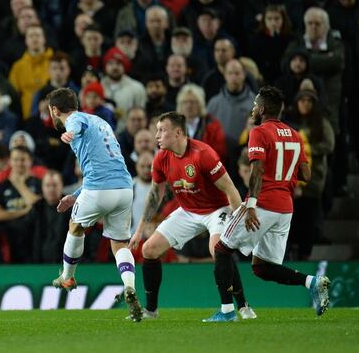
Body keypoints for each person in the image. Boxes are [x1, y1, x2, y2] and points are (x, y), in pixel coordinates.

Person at [213, 86, 330, 318]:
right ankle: (311, 282)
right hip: (285, 209)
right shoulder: (296, 135)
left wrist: (253, 205)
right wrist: (286, 173)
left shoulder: (259, 132)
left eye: (256, 105)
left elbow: (257, 171)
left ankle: (227, 311)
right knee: (262, 267)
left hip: (263, 204)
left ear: (264, 109)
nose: (253, 108)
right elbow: (307, 175)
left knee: (221, 249)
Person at [128, 111, 254, 322]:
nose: (157, 135)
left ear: (178, 133)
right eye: (156, 130)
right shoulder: (161, 158)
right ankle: (151, 311)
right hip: (188, 211)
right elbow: (154, 195)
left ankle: (239, 307)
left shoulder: (203, 154)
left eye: (162, 130)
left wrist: (237, 221)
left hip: (217, 209)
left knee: (217, 250)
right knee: (149, 249)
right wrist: (140, 230)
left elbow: (231, 189)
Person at [46, 88, 142, 322]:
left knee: (75, 226)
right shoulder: (99, 121)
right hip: (124, 189)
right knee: (119, 243)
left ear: (55, 110)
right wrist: (76, 195)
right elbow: (105, 160)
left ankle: (67, 276)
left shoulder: (75, 119)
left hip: (99, 189)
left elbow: (75, 124)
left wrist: (69, 133)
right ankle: (130, 286)